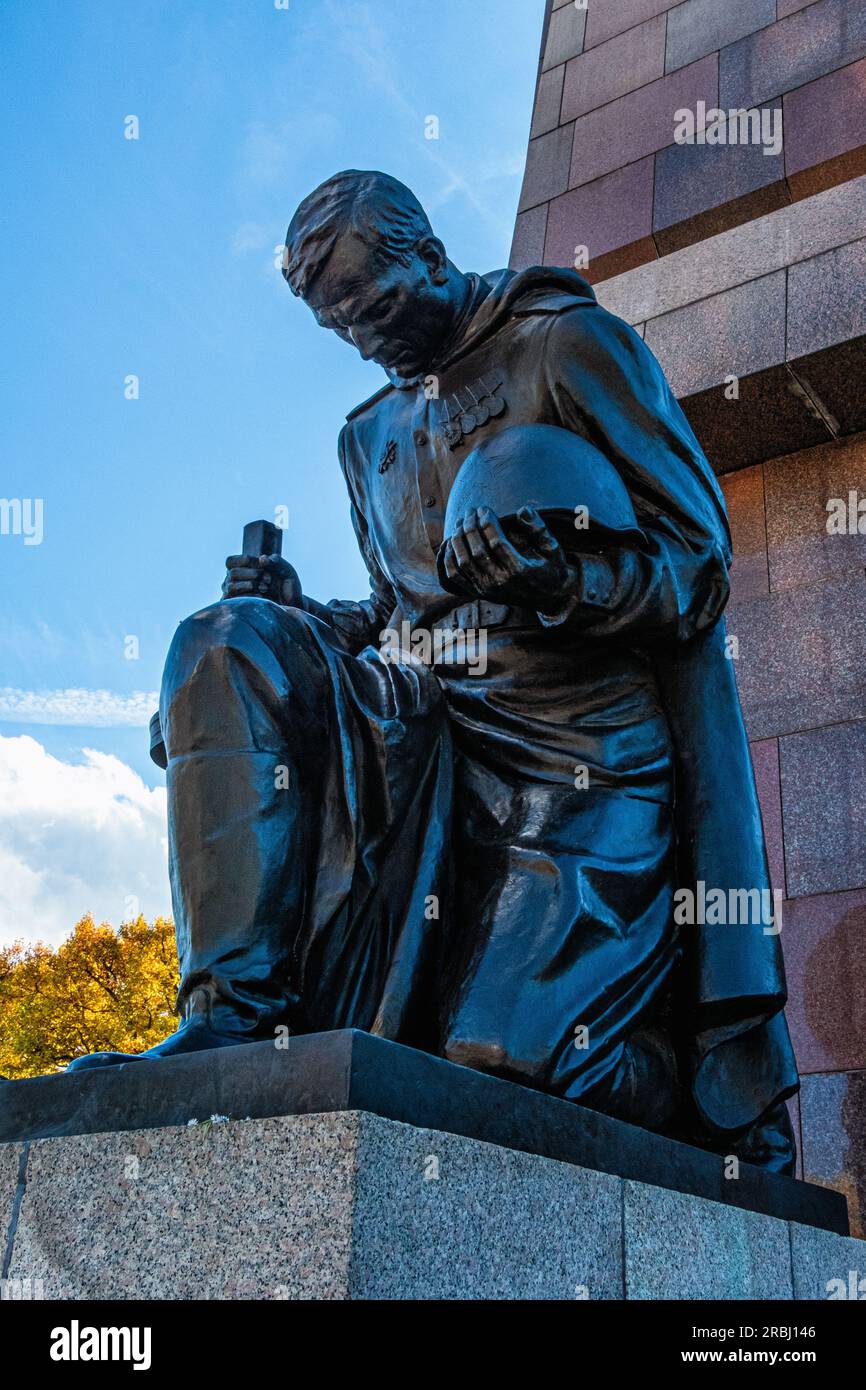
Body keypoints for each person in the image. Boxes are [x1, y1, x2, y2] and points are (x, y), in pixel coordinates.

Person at [68, 171, 797, 1174]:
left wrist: (558, 577)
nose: (363, 339)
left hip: (574, 753)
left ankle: (690, 1093)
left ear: (424, 251)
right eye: (338, 326)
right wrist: (296, 609)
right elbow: (388, 612)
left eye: (371, 307)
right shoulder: (365, 435)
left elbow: (695, 564)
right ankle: (232, 1017)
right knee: (226, 638)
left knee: (492, 1058)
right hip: (426, 719)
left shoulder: (566, 347)